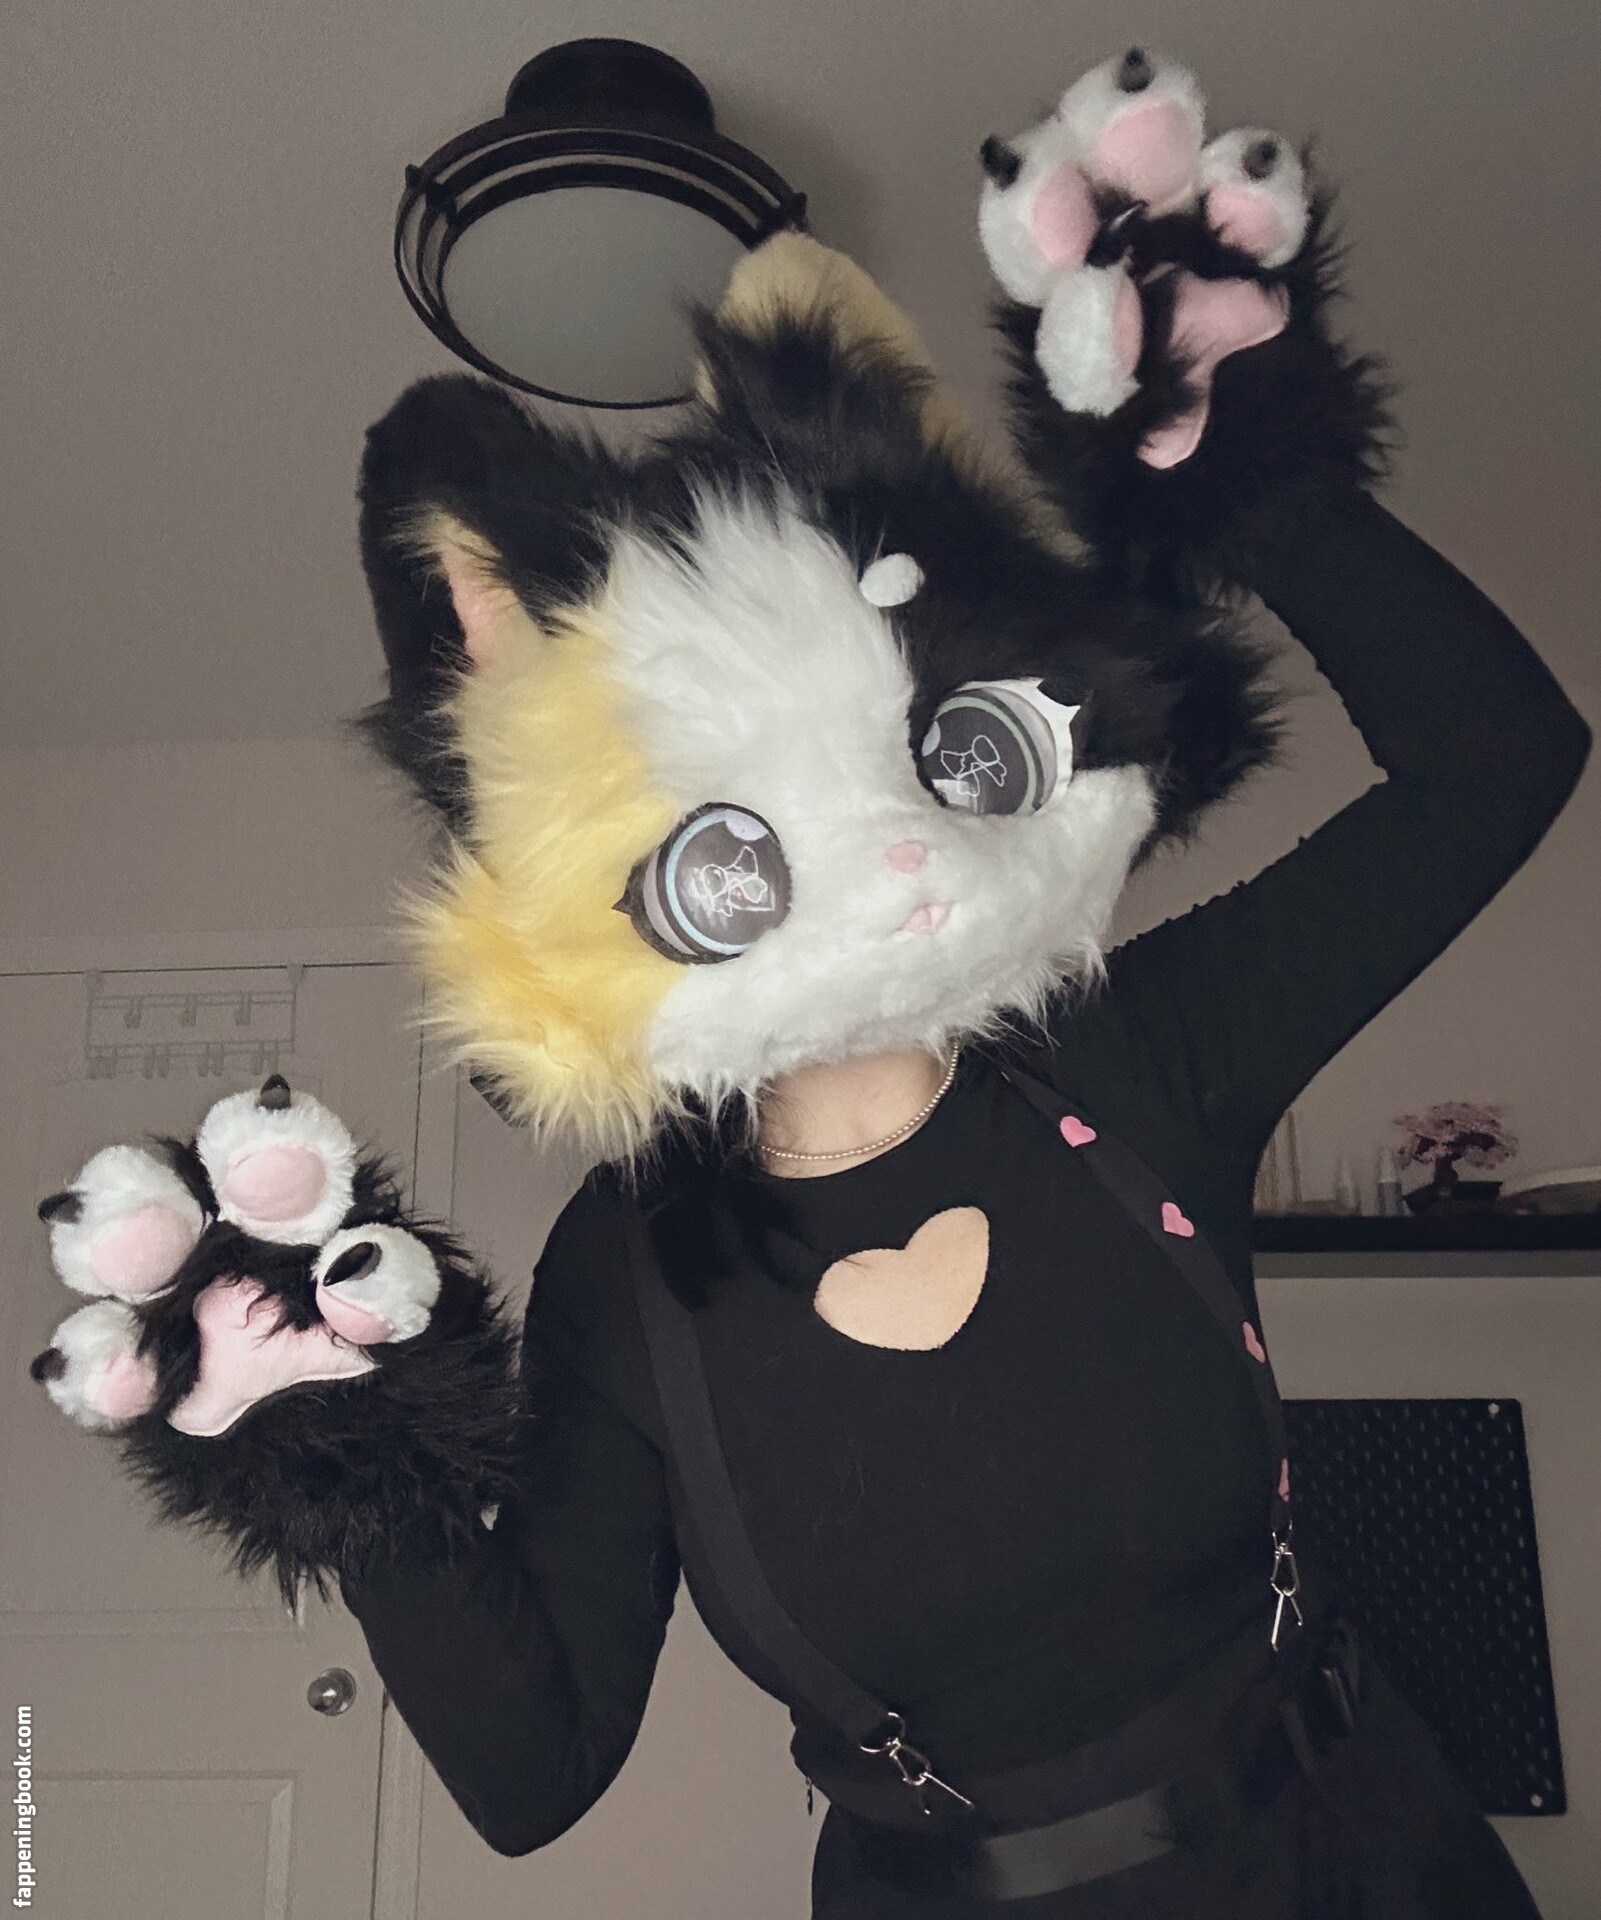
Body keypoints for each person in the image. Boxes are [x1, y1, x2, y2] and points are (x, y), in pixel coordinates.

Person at [32, 47, 1589, 1917]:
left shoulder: (1132, 1053)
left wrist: (1240, 480)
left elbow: (1496, 761)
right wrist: (342, 1453)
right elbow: (531, 1776)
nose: (894, 848)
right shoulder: (631, 1274)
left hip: (1364, 1854)